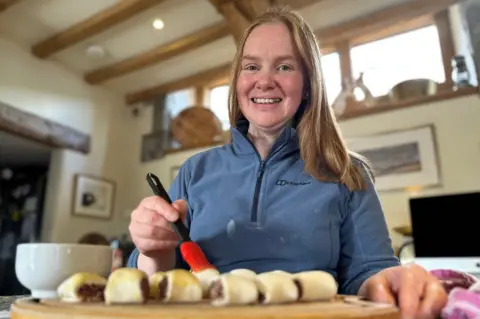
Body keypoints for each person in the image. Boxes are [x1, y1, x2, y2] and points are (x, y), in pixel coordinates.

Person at [127, 6, 447, 319]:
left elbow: (369, 272)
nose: (264, 81)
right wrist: (153, 251)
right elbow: (156, 280)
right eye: (251, 67)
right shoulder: (194, 171)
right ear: (237, 80)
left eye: (284, 67)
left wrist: (391, 282)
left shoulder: (348, 174)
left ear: (308, 84)